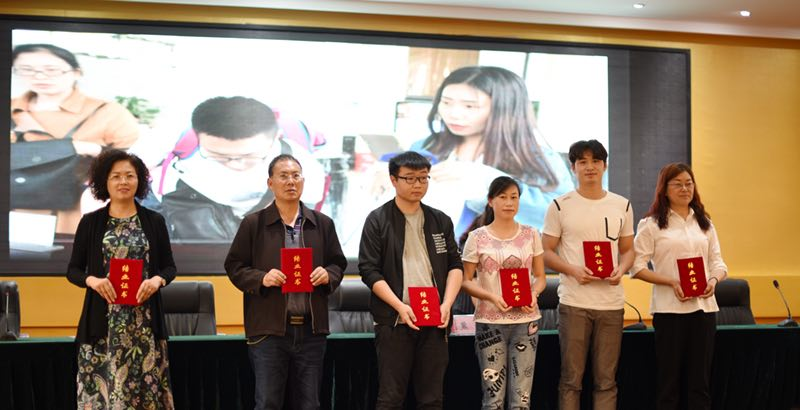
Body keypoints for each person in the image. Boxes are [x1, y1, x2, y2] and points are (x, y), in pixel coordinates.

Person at [225, 154, 346, 410]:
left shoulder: (322, 223)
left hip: (312, 331)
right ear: (270, 183)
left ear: (303, 181)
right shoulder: (254, 224)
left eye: (295, 176)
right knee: (268, 403)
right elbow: (234, 267)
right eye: (283, 176)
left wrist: (328, 274)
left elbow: (338, 264)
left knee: (309, 404)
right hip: (269, 331)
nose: (291, 181)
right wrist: (262, 278)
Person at [66, 149, 175, 409]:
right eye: (116, 176)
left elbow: (169, 267)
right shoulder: (90, 222)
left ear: (140, 181)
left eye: (129, 175)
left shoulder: (154, 221)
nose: (123, 182)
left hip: (144, 326)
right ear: (104, 181)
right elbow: (73, 270)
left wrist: (157, 281)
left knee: (145, 397)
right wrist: (92, 281)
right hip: (102, 326)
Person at [412, 65, 573, 237]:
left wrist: (488, 181)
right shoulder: (425, 146)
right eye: (446, 102)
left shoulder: (537, 158)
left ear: (504, 109)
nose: (454, 114)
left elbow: (562, 214)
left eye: (469, 106)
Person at [358, 151, 463, 409]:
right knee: (391, 397)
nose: (418, 184)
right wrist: (399, 306)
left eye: (423, 178)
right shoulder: (378, 219)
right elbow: (369, 270)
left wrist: (447, 304)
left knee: (432, 398)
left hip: (435, 318)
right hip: (395, 320)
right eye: (410, 178)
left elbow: (455, 265)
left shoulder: (440, 220)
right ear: (393, 180)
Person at [146, 96, 325, 241]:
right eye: (218, 156)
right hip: (201, 217)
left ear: (275, 138)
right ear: (199, 139)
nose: (235, 163)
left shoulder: (304, 168)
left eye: (249, 156)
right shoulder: (185, 167)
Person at [541, 139, 634, 410]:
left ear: (605, 166)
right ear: (573, 168)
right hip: (574, 303)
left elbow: (628, 250)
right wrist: (572, 270)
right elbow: (545, 251)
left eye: (595, 161)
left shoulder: (622, 205)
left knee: (606, 380)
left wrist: (622, 269)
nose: (589, 167)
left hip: (611, 304)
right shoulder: (560, 205)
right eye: (582, 162)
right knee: (571, 380)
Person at [11, 43, 140, 234]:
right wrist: (71, 148)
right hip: (15, 210)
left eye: (51, 70)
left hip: (80, 213)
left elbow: (138, 162)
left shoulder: (108, 112)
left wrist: (94, 150)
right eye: (26, 69)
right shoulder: (11, 108)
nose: (39, 77)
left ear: (76, 72)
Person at [631, 163, 727, 410]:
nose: (685, 189)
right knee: (669, 382)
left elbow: (718, 263)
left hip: (704, 309)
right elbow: (637, 268)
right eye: (678, 184)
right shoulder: (651, 224)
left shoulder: (705, 223)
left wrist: (713, 280)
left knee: (700, 382)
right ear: (664, 189)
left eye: (689, 183)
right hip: (669, 311)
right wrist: (671, 281)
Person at [460, 176, 546, 409]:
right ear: (491, 201)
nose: (509, 202)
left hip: (526, 322)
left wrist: (533, 294)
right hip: (490, 322)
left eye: (514, 197)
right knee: (493, 399)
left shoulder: (531, 234)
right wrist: (490, 297)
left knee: (522, 399)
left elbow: (540, 277)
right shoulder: (477, 237)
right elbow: (465, 281)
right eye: (503, 197)